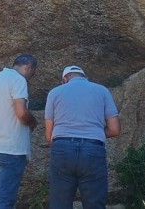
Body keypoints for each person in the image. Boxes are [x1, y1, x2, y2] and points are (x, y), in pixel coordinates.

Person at [45, 65, 121, 209]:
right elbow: (115, 129)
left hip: (62, 149)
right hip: (93, 149)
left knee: (59, 204)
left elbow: (49, 136)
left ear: (65, 79)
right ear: (85, 77)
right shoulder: (102, 91)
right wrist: (95, 132)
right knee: (95, 204)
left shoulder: (55, 92)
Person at [0, 53, 39, 209]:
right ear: (29, 67)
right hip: (11, 149)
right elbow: (21, 113)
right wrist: (33, 122)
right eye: (33, 73)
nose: (31, 77)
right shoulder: (18, 80)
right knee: (5, 201)